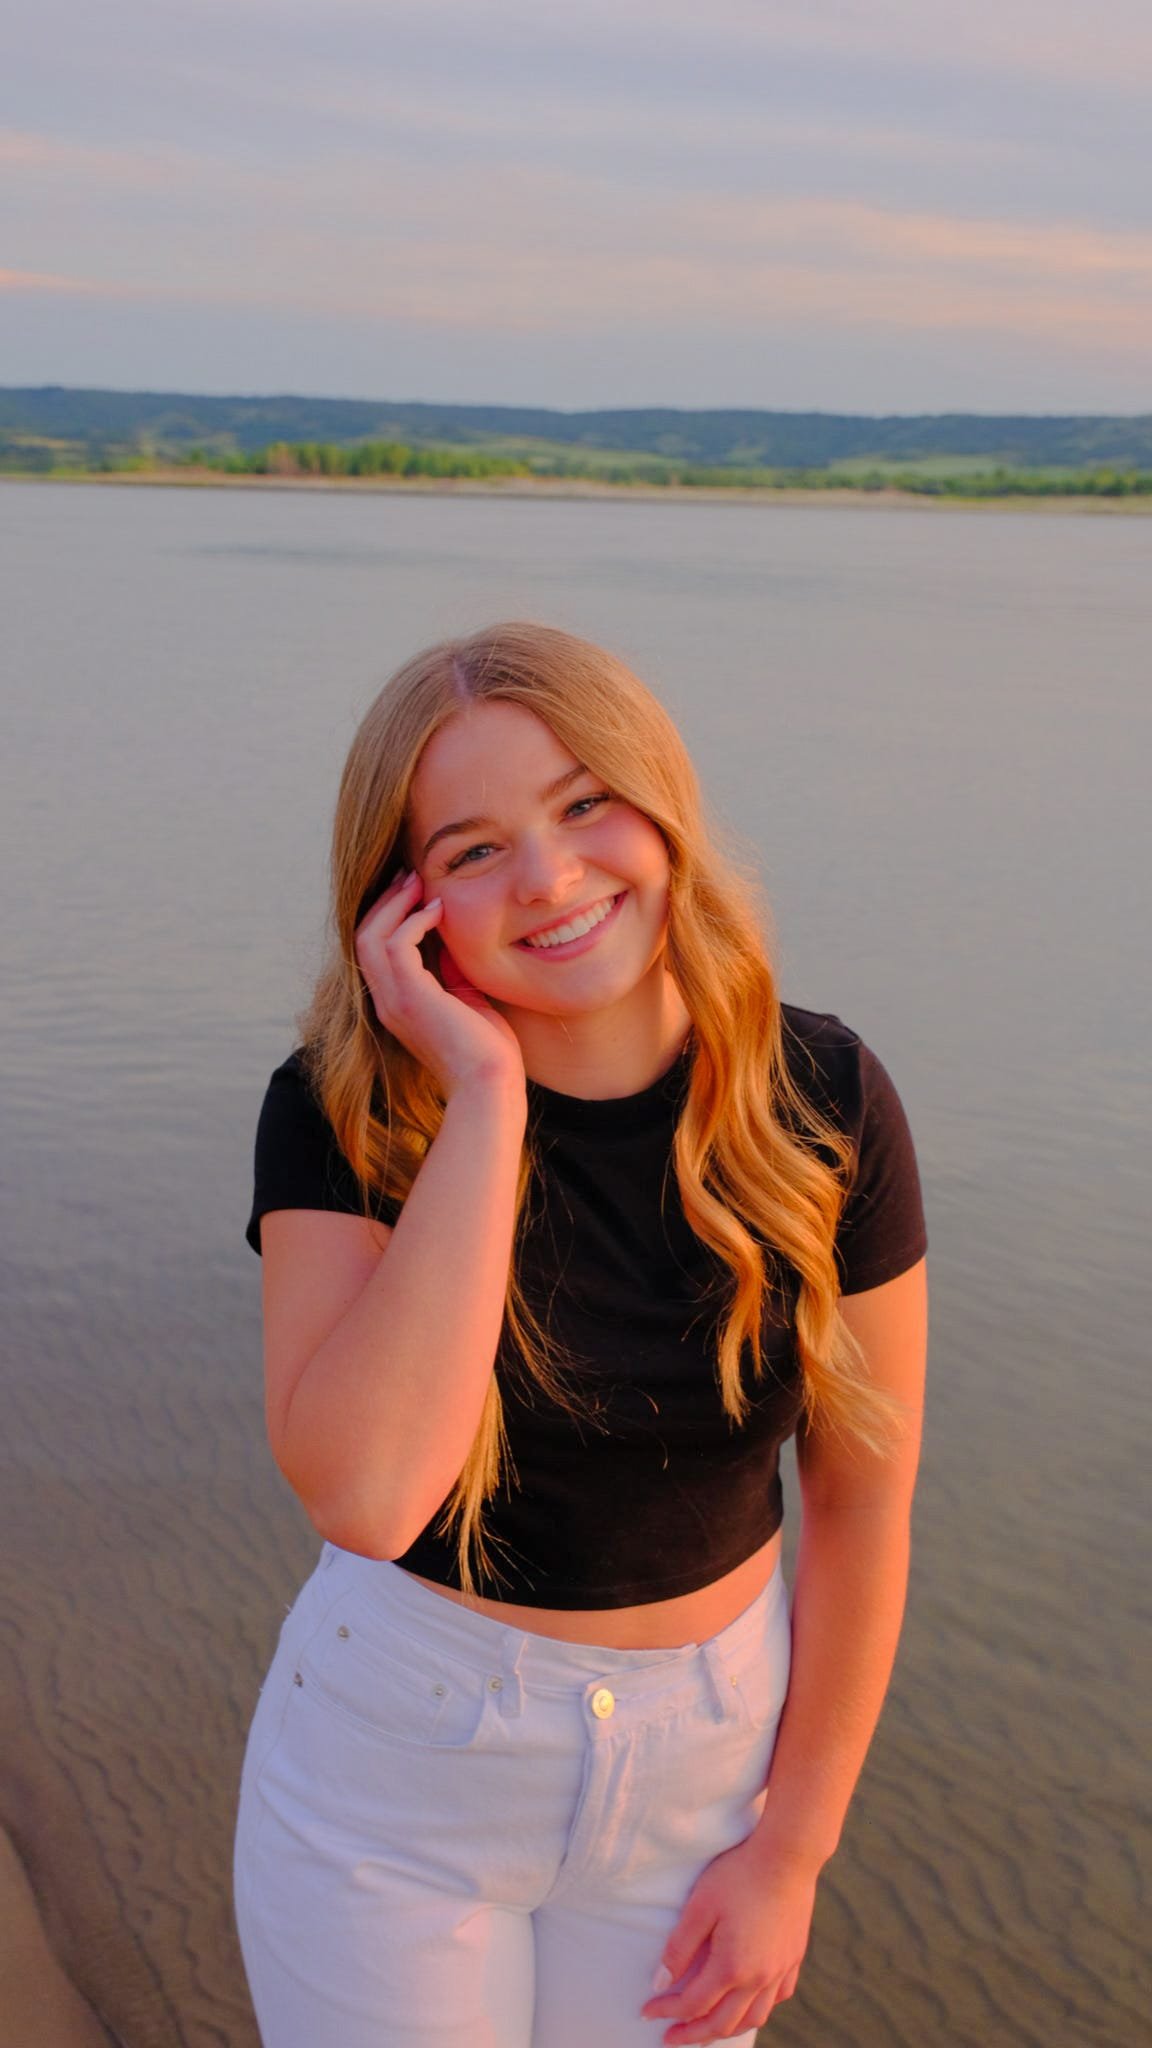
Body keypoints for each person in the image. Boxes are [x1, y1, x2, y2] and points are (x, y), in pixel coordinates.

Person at [231, 621, 929, 2048]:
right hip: (402, 1779)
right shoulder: (343, 1111)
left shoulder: (824, 1100)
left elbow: (864, 1504)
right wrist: (484, 1096)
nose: (549, 879)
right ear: (405, 904)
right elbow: (366, 1497)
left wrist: (792, 1851)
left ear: (660, 804)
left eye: (584, 804)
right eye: (475, 849)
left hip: (708, 1774)